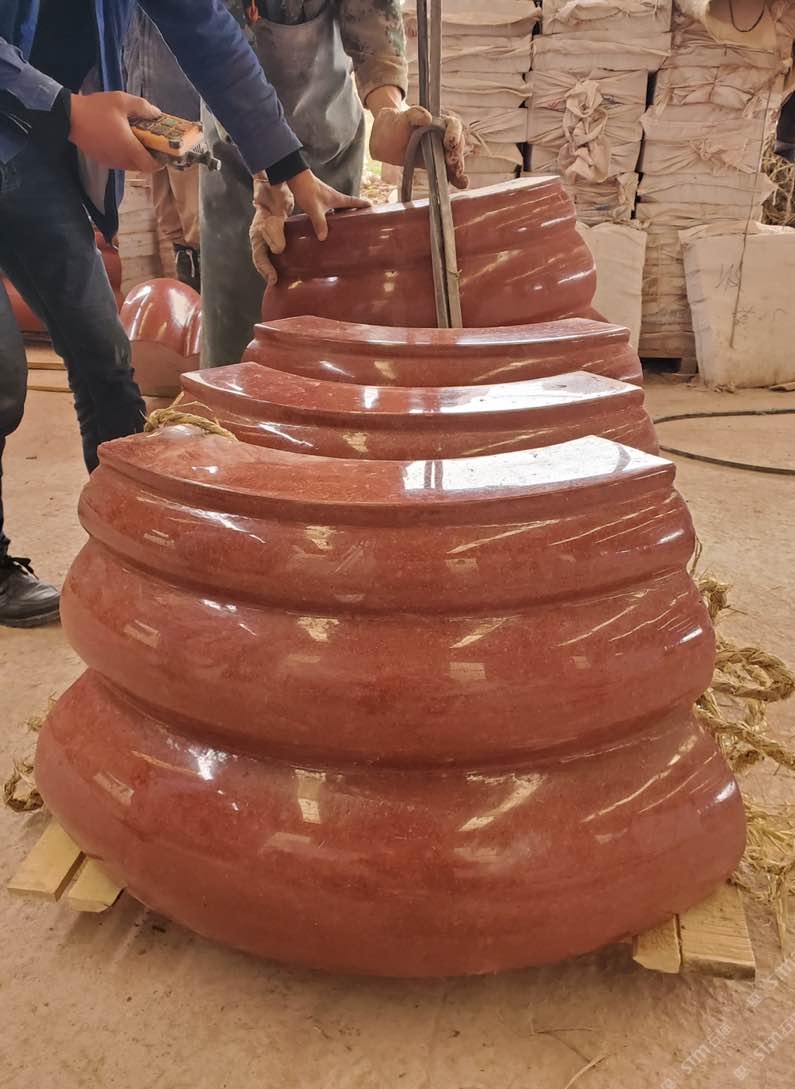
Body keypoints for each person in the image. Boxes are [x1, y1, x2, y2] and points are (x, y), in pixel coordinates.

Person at [0, 0, 367, 629]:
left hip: (30, 151)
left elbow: (204, 30)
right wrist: (70, 112)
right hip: (39, 116)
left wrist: (285, 165)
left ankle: (137, 545)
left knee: (103, 355)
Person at [201, 0, 468, 368]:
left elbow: (370, 10)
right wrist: (267, 173)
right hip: (239, 158)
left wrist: (389, 110)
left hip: (328, 139)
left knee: (329, 327)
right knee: (243, 339)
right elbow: (213, 45)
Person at [123, 9, 202, 291]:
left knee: (199, 225)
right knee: (171, 224)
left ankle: (214, 307)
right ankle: (192, 300)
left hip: (190, 120)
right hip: (147, 119)